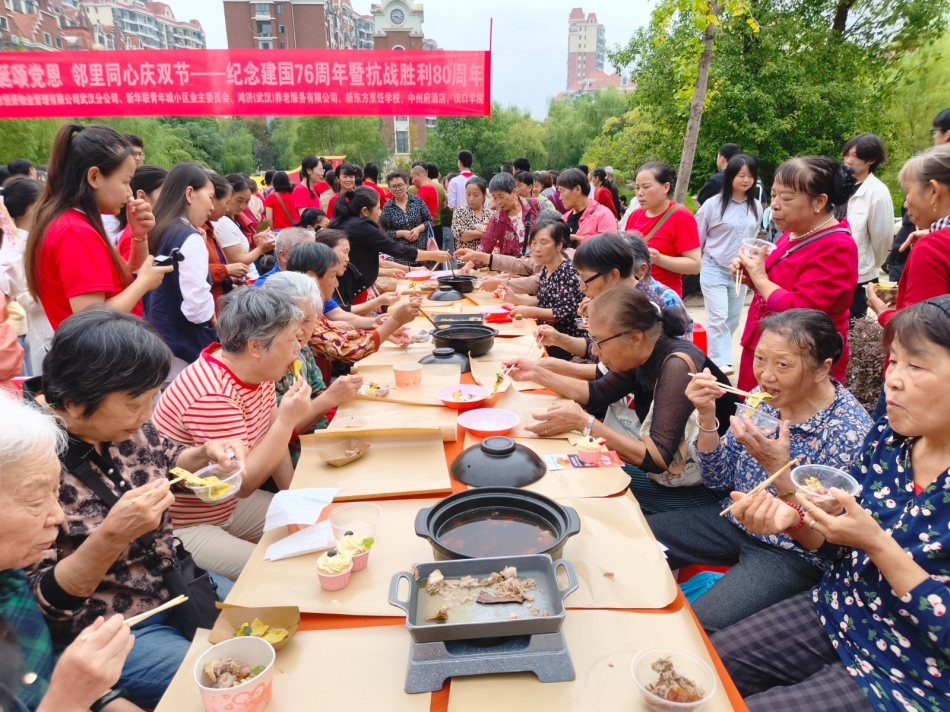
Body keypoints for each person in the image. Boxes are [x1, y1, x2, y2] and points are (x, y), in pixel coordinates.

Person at [712, 297, 950, 711]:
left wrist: (878, 544)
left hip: (912, 671)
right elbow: (837, 550)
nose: (893, 380)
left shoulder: (851, 427)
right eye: (894, 361)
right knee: (704, 667)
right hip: (837, 607)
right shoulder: (889, 440)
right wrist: (792, 520)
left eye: (916, 366)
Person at [24, 308, 244, 707]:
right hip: (112, 628)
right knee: (227, 680)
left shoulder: (124, 416)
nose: (147, 415)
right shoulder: (26, 459)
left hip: (178, 581)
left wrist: (203, 456)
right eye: (135, 405)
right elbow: (41, 602)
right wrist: (111, 537)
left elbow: (165, 459)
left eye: (152, 398)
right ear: (73, 402)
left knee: (265, 631)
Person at [649, 310, 873, 632]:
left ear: (822, 369)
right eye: (760, 359)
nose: (766, 376)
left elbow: (831, 540)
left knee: (700, 626)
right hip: (736, 518)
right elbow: (718, 479)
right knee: (640, 539)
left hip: (790, 552)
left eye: (783, 365)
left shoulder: (848, 432)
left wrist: (777, 469)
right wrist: (707, 415)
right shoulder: (760, 400)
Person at [505, 285, 737, 513]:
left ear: (635, 337)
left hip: (703, 490)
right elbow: (597, 392)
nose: (594, 351)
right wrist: (537, 373)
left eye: (599, 341)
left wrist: (584, 423)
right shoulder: (643, 351)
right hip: (670, 475)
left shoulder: (677, 365)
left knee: (584, 489)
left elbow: (656, 458)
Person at [153, 289, 310, 580]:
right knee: (280, 574)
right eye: (291, 341)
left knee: (312, 524)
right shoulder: (213, 395)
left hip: (228, 506)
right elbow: (244, 483)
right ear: (255, 346)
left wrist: (294, 499)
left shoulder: (255, 371)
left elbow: (272, 438)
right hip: (187, 524)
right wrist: (288, 420)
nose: (297, 350)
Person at [0, 391, 139, 712]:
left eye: (55, 493)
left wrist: (105, 699)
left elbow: (45, 663)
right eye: (35, 499)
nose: (58, 515)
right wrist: (68, 699)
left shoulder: (9, 576)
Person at [732, 156, 859, 392]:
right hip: (770, 346)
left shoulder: (835, 246)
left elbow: (800, 308)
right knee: (755, 409)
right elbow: (778, 281)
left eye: (787, 198)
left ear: (819, 201)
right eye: (774, 195)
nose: (775, 205)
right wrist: (750, 276)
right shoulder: (796, 232)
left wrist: (759, 277)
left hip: (799, 356)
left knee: (785, 413)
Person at [25, 124, 170, 331]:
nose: (129, 192)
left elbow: (120, 279)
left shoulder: (72, 223)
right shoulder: (75, 232)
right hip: (100, 349)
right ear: (94, 177)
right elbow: (92, 320)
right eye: (125, 181)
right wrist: (143, 283)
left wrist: (139, 235)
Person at [263, 272, 363, 465]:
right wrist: (331, 397)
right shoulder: (267, 364)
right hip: (297, 459)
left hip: (323, 443)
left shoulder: (302, 349)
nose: (299, 331)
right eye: (292, 321)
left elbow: (317, 390)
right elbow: (281, 431)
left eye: (307, 321)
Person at [287, 241, 421, 363]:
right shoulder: (299, 315)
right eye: (332, 276)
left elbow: (340, 335)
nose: (336, 283)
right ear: (312, 277)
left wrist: (382, 328)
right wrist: (395, 321)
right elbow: (347, 349)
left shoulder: (308, 307)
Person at [144, 163, 217, 376]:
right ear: (190, 193)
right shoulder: (189, 238)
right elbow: (196, 308)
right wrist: (211, 314)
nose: (212, 207)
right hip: (183, 348)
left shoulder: (158, 228)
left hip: (156, 340)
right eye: (210, 197)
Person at [697, 154, 762, 374]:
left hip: (740, 272)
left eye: (750, 176)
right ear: (730, 176)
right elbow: (699, 237)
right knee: (718, 317)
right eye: (741, 175)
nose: (746, 180)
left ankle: (716, 358)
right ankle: (721, 363)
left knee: (732, 319)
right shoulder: (712, 205)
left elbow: (753, 237)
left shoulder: (755, 206)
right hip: (714, 267)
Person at [335, 185, 448, 294]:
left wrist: (401, 270)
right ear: (365, 211)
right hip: (347, 287)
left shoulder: (349, 223)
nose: (380, 212)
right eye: (378, 208)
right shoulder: (362, 227)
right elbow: (397, 249)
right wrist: (433, 255)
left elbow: (366, 263)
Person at [502, 218, 585, 359]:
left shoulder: (568, 271)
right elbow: (543, 301)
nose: (537, 248)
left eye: (544, 243)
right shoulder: (547, 269)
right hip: (547, 337)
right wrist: (515, 299)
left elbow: (564, 313)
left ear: (559, 245)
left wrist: (530, 311)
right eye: (534, 243)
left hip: (565, 344)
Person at [623, 162, 701, 297]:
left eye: (646, 187)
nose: (640, 193)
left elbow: (695, 266)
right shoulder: (635, 216)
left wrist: (659, 259)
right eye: (637, 188)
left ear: (666, 187)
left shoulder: (681, 216)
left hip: (663, 297)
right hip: (634, 296)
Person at [0, 176, 53, 376]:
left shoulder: (35, 240)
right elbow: (20, 295)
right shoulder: (16, 246)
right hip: (33, 332)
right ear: (32, 207)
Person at [842, 134, 895, 320]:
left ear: (871, 160)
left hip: (859, 275)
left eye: (855, 156)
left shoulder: (878, 192)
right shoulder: (839, 186)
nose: (848, 160)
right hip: (833, 270)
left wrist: (869, 262)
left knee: (852, 325)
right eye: (846, 154)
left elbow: (883, 239)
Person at [314, 229, 401, 317]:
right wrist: (379, 302)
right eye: (344, 252)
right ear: (327, 251)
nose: (347, 259)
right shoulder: (317, 285)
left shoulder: (347, 270)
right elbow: (340, 314)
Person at [214, 174, 275, 283]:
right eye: (239, 200)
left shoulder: (233, 219)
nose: (242, 206)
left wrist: (256, 241)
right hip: (244, 280)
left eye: (247, 201)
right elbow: (237, 260)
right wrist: (260, 249)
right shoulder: (223, 222)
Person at [476, 172, 542, 260]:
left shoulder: (534, 205)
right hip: (512, 266)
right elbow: (485, 246)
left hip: (537, 263)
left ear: (514, 192)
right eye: (495, 197)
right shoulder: (497, 219)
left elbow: (549, 229)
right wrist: (470, 262)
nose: (498, 202)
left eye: (501, 196)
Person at [381, 171, 436, 267]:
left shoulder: (417, 201)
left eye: (400, 185)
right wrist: (401, 233)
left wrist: (418, 229)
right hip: (400, 257)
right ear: (389, 188)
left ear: (406, 185)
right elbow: (385, 233)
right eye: (394, 186)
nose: (397, 189)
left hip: (421, 253)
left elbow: (429, 220)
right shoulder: (387, 208)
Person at [116, 165, 168, 259]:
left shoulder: (139, 232)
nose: (171, 201)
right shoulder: (133, 238)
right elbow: (137, 268)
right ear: (142, 196)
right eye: (165, 194)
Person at [557, 168, 618, 243]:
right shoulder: (565, 218)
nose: (560, 198)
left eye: (562, 191)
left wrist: (578, 239)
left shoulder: (603, 215)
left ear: (577, 189)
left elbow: (609, 245)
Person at [451, 176, 495, 253]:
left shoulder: (491, 214)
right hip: (465, 258)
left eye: (476, 195)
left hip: (486, 258)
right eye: (468, 194)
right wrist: (486, 232)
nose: (471, 199)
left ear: (484, 195)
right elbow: (460, 234)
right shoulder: (460, 211)